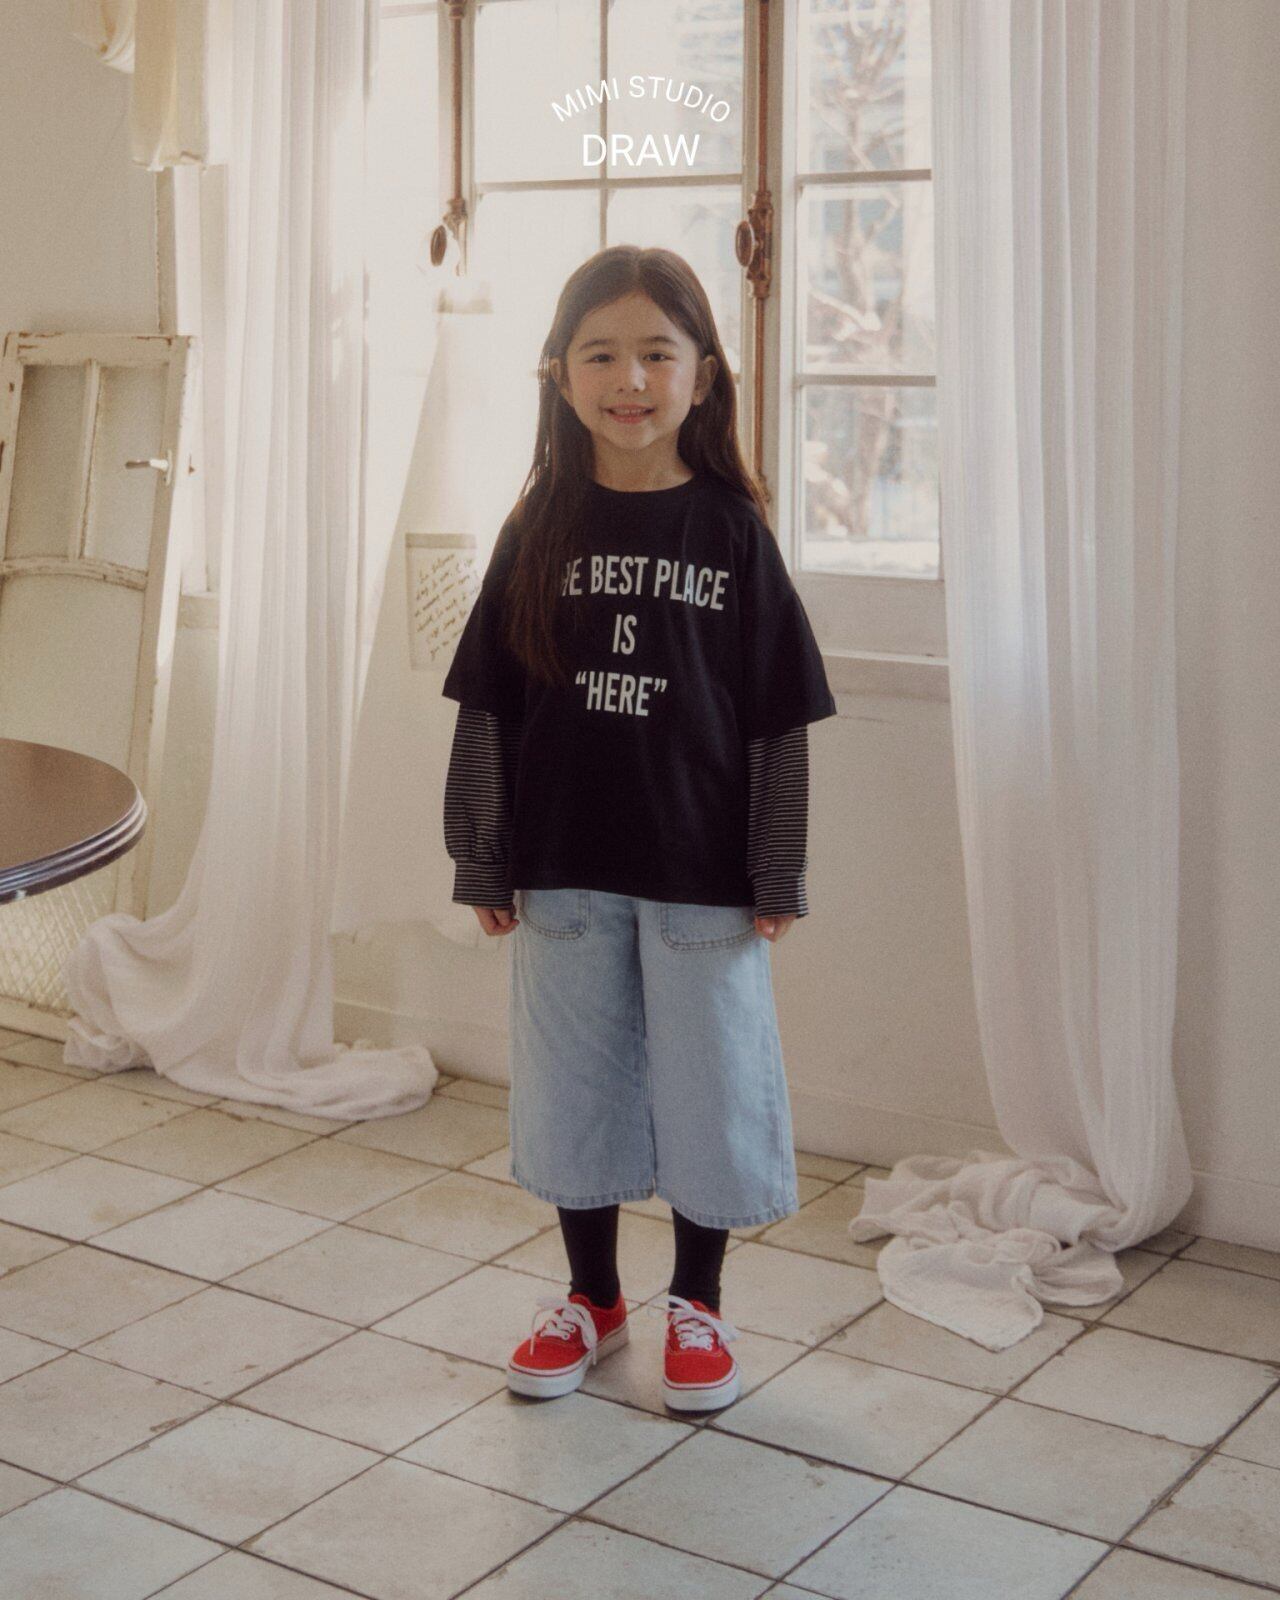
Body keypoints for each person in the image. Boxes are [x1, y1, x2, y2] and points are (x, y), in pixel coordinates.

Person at [441, 244, 836, 1412]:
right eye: (599, 355)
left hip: (701, 873)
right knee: (575, 1084)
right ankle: (593, 1297)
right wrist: (480, 852)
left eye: (656, 354)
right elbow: (487, 703)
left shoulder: (732, 531)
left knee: (709, 1084)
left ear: (701, 374)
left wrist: (775, 864)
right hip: (562, 864)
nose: (628, 379)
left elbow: (776, 715)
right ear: (558, 375)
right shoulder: (536, 525)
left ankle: (697, 1304)